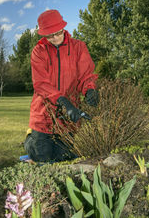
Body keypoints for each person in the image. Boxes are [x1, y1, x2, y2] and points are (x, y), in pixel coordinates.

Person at [24, 9, 98, 163]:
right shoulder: (39, 52)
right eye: (50, 35)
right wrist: (63, 102)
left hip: (68, 116)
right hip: (43, 111)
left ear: (63, 28)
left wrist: (90, 89)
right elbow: (41, 84)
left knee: (63, 157)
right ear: (44, 34)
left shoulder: (79, 47)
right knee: (41, 156)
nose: (55, 38)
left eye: (57, 33)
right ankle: (30, 139)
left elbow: (86, 75)